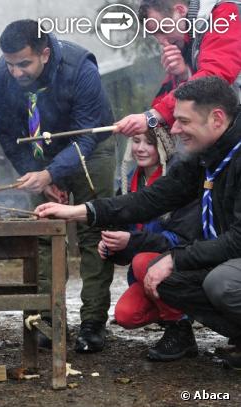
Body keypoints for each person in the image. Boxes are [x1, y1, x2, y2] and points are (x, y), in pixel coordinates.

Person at [35, 76, 241, 369]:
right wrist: (81, 211)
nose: (176, 129)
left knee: (222, 283)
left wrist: (175, 258)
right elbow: (152, 199)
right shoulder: (207, 154)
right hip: (229, 256)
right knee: (167, 279)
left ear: (217, 119)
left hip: (235, 257)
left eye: (183, 121)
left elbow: (238, 239)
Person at [0, 19, 116, 352]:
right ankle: (46, 319)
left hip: (91, 146)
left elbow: (87, 135)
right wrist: (38, 177)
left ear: (44, 53)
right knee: (44, 232)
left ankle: (92, 323)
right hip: (39, 154)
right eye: (9, 64)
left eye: (24, 64)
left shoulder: (81, 68)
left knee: (92, 230)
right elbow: (6, 135)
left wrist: (53, 172)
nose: (15, 72)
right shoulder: (0, 81)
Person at [102, 128, 201, 361]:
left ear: (164, 146)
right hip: (145, 274)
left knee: (141, 260)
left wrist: (131, 242)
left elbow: (181, 240)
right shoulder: (128, 184)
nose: (141, 148)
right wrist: (111, 247)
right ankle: (171, 314)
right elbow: (125, 239)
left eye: (149, 142)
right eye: (136, 141)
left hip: (182, 267)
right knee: (126, 315)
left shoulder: (182, 180)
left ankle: (181, 327)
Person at [115, 0, 241, 136]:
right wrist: (184, 74)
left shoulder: (225, 12)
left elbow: (214, 78)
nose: (163, 42)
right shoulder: (190, 35)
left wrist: (152, 117)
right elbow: (170, 95)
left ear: (180, 10)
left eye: (163, 29)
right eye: (155, 36)